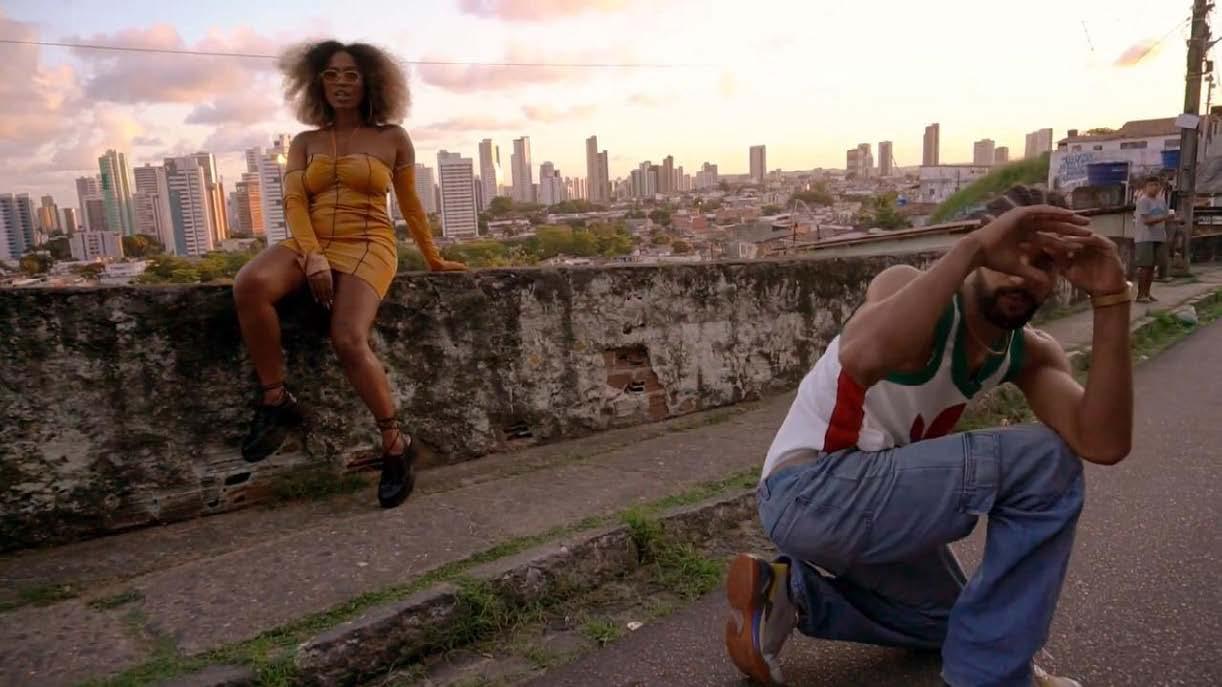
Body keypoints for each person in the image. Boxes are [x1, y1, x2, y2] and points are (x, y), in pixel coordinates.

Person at [724, 186, 1135, 687]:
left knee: (954, 620)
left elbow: (1103, 443)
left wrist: (1111, 298)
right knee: (1045, 461)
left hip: (873, 508)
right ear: (982, 244)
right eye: (1012, 253)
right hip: (810, 487)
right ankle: (992, 679)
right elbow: (864, 356)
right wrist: (972, 251)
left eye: (1044, 264)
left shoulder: (1030, 352)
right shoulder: (911, 289)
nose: (1023, 274)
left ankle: (792, 596)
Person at [232, 40, 466, 509]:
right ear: (316, 82)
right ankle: (276, 400)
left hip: (369, 242)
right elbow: (294, 202)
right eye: (331, 74)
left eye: (352, 75)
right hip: (312, 240)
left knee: (348, 338)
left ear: (371, 82)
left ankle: (395, 441)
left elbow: (410, 205)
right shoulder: (305, 142)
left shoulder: (393, 137)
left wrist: (433, 256)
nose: (341, 83)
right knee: (250, 284)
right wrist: (313, 255)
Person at [1134, 176, 1169, 302]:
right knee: (1145, 266)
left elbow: (1166, 216)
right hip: (1145, 237)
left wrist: (1175, 219)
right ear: (1145, 187)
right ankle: (1141, 295)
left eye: (1156, 184)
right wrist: (1164, 218)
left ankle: (1147, 293)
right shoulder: (1143, 201)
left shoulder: (1161, 201)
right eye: (1151, 185)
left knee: (1152, 266)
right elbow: (1147, 221)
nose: (1154, 187)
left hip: (1158, 236)